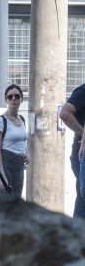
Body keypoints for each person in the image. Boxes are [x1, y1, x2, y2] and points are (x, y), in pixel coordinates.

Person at [0, 84, 28, 200]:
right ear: (6, 100)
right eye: (10, 97)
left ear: (21, 99)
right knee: (2, 204)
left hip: (19, 166)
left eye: (17, 96)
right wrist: (1, 176)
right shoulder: (1, 121)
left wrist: (26, 154)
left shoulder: (22, 119)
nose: (13, 99)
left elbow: (21, 141)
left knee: (15, 204)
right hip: (4, 165)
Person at [59, 83, 85, 217]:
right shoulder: (83, 91)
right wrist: (83, 132)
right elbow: (64, 113)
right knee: (83, 200)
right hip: (81, 153)